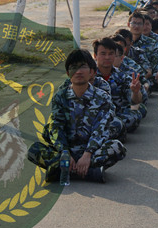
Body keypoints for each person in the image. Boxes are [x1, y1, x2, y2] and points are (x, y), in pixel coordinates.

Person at [27, 49, 126, 183]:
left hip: (91, 152)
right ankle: (90, 173)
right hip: (67, 150)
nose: (78, 72)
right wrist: (65, 152)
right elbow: (57, 126)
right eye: (74, 68)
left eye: (83, 67)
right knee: (34, 149)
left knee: (117, 147)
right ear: (68, 73)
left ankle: (63, 171)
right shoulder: (60, 97)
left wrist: (87, 154)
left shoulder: (102, 98)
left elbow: (101, 129)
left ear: (92, 72)